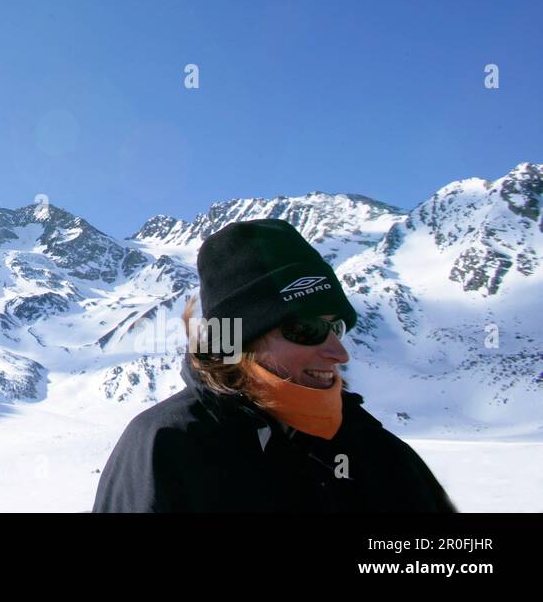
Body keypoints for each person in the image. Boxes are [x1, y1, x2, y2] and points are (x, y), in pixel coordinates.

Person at [91, 217, 457, 512]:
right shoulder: (167, 447)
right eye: (307, 328)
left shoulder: (376, 451)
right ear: (240, 340)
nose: (339, 352)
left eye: (337, 327)